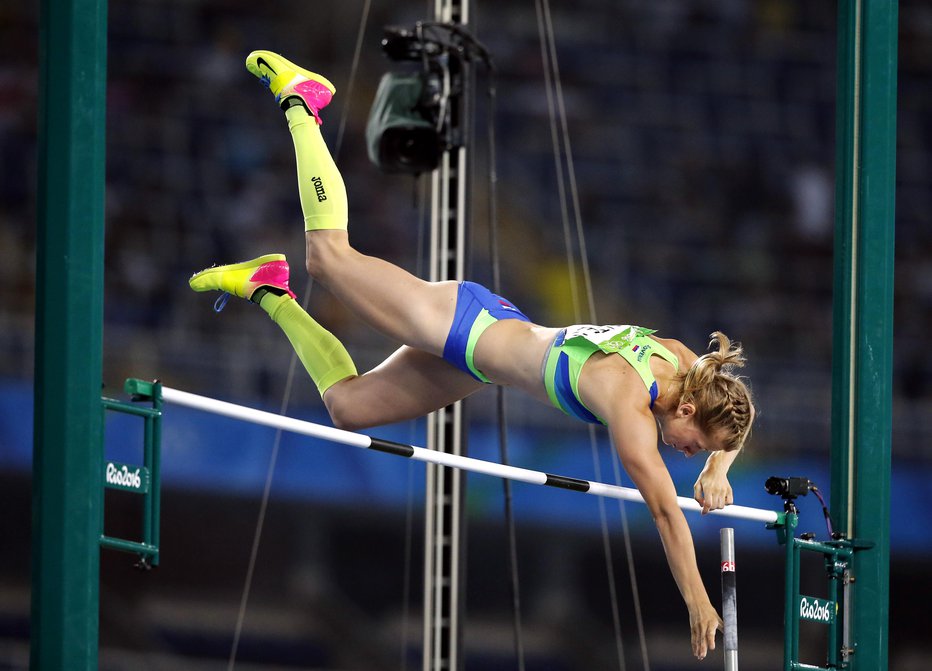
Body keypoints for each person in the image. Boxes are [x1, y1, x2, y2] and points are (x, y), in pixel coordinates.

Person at [190, 50, 756, 662]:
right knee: (329, 259)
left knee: (348, 408)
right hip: (466, 324)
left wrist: (718, 469)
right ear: (689, 406)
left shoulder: (680, 364)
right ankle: (303, 101)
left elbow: (736, 417)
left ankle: (268, 289)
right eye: (694, 443)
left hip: (479, 363)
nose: (689, 451)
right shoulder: (629, 403)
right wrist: (698, 601)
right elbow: (668, 517)